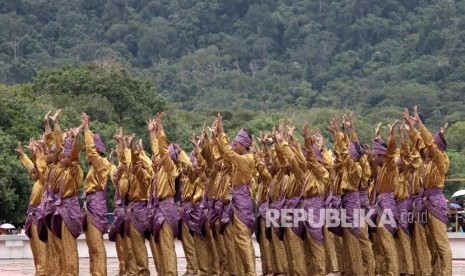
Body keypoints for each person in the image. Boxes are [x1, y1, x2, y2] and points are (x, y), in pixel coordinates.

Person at [404, 106, 452, 276]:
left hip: (436, 203)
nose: (426, 149)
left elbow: (429, 144)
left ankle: (445, 274)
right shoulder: (428, 163)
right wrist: (411, 125)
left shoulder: (441, 160)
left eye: (431, 146)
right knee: (428, 243)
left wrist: (421, 124)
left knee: (441, 244)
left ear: (438, 148)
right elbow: (419, 143)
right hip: (424, 203)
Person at [215, 113, 257, 275]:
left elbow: (229, 153)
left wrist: (221, 132)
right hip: (236, 201)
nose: (233, 146)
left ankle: (250, 273)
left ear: (244, 146)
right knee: (235, 240)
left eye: (236, 144)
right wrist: (218, 137)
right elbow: (226, 155)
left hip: (242, 203)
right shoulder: (239, 159)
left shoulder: (246, 159)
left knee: (242, 240)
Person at [81, 113, 112, 276]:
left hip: (96, 204)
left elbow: (91, 153)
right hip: (90, 204)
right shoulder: (95, 166)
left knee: (97, 244)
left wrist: (86, 128)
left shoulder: (102, 163)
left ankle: (100, 273)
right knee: (92, 245)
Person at [17, 140, 47, 276]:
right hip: (32, 216)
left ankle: (42, 271)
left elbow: (40, 168)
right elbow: (32, 167)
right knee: (35, 248)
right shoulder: (36, 183)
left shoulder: (42, 182)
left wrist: (39, 152)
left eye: (35, 172)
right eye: (32, 172)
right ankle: (39, 269)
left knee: (40, 247)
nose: (32, 173)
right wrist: (24, 155)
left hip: (38, 216)